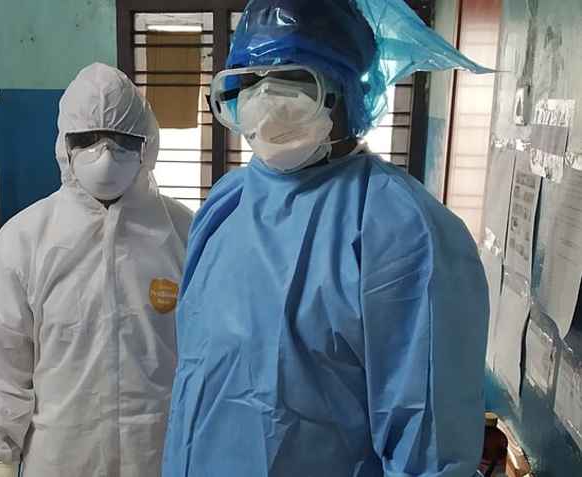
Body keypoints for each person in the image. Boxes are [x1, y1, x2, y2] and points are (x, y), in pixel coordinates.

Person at [162, 1, 492, 476]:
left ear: (345, 92)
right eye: (249, 81)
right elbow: (197, 380)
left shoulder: (404, 230)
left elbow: (428, 446)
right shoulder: (226, 204)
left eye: (294, 81)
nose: (267, 99)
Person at [0, 63, 193, 477]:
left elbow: (209, 355)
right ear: (65, 146)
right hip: (61, 454)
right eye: (88, 139)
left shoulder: (183, 232)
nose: (105, 154)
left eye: (122, 139)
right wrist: (2, 459)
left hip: (160, 451)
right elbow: (4, 364)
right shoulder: (23, 240)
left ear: (147, 144)